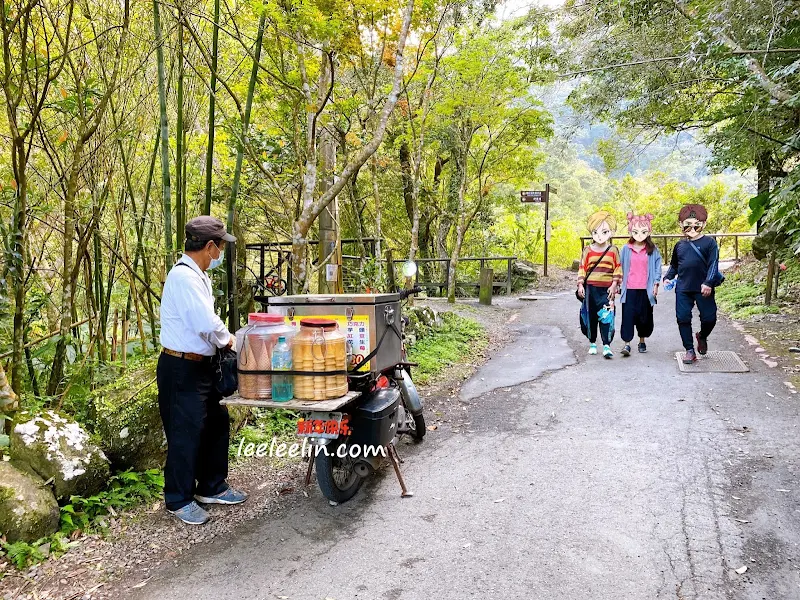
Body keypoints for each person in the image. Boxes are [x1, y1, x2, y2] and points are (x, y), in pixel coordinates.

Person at [158, 215, 247, 525]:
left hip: (202, 366)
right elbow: (205, 324)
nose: (220, 254)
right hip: (181, 367)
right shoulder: (183, 277)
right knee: (186, 432)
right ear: (210, 246)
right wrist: (229, 340)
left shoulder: (198, 276)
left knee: (216, 424)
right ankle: (178, 499)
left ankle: (212, 486)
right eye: (220, 247)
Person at [663, 204, 722, 364]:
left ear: (703, 224)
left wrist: (708, 282)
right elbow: (674, 265)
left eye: (696, 224)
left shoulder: (710, 243)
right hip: (683, 287)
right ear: (681, 224)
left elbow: (713, 264)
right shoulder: (680, 245)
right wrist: (668, 277)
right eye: (687, 224)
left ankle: (702, 336)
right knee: (682, 318)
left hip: (704, 288)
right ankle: (689, 350)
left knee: (709, 318)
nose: (692, 227)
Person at [577, 210, 622, 359]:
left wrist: (614, 284)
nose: (600, 235)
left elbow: (617, 267)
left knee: (607, 316)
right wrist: (580, 285)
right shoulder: (587, 250)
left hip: (607, 290)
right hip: (590, 289)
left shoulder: (613, 250)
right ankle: (592, 343)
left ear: (611, 232)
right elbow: (582, 268)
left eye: (604, 231)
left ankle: (607, 345)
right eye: (596, 232)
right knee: (590, 316)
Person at [619, 213, 662, 356]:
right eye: (636, 231)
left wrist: (656, 284)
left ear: (648, 232)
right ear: (631, 231)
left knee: (644, 317)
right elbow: (620, 267)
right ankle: (627, 344)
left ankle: (642, 341)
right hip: (629, 288)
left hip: (646, 289)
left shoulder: (652, 250)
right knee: (628, 316)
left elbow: (657, 267)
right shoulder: (626, 249)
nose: (639, 234)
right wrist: (618, 283)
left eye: (643, 231)